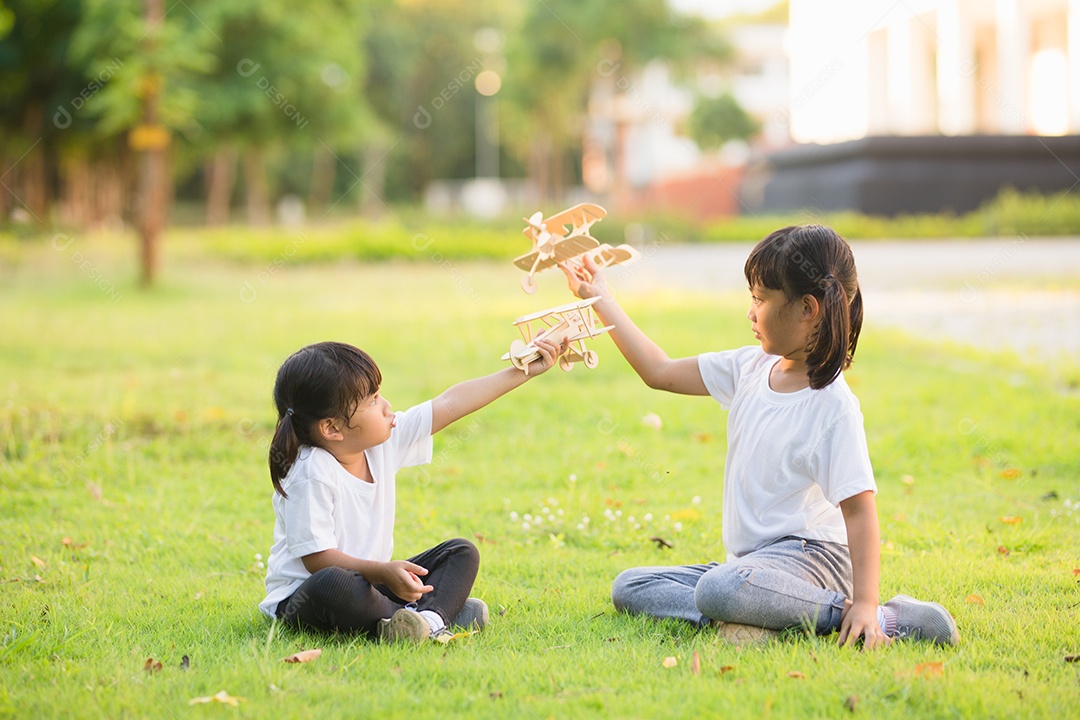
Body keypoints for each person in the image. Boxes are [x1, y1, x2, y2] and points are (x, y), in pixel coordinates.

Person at [560, 224, 959, 649]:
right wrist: (599, 297)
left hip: (814, 559)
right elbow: (659, 371)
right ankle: (754, 613)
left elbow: (860, 511)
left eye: (760, 299)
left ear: (807, 309)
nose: (750, 312)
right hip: (751, 567)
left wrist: (865, 602)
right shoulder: (749, 368)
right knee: (631, 586)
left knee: (721, 588)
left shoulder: (831, 406)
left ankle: (878, 617)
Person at [258, 337, 564, 643]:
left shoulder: (381, 443)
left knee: (460, 552)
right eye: (373, 400)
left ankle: (425, 621)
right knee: (335, 584)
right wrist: (382, 571)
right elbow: (318, 560)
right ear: (332, 428)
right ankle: (431, 614)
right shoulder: (311, 472)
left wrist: (523, 370)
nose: (386, 405)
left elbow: (449, 403)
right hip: (306, 598)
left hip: (371, 584)